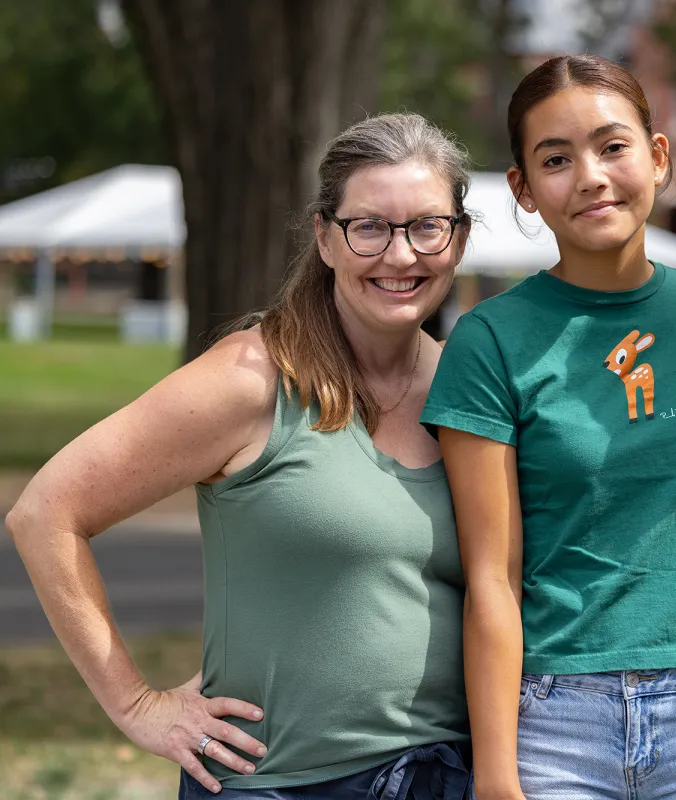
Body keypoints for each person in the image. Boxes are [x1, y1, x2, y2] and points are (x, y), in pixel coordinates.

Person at [5, 113, 475, 799]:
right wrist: (136, 705)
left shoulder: (470, 389)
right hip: (284, 784)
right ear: (325, 237)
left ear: (458, 237)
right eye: (370, 227)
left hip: (450, 777)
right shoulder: (253, 377)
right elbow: (45, 513)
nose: (400, 255)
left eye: (427, 226)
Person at [421, 55, 676, 800]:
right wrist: (496, 774)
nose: (590, 177)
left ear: (658, 158)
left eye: (613, 147)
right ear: (523, 188)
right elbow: (492, 580)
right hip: (555, 721)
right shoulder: (490, 341)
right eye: (556, 159)